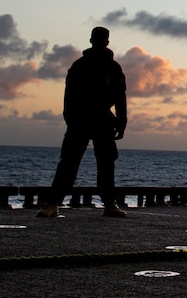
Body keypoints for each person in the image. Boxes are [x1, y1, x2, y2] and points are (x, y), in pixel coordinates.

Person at [38, 27, 128, 218]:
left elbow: (120, 97)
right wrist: (70, 119)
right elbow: (69, 95)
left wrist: (122, 121)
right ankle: (53, 203)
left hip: (103, 119)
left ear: (107, 41)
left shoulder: (114, 68)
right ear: (91, 40)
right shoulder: (79, 65)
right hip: (79, 119)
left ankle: (109, 203)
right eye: (97, 38)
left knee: (106, 163)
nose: (100, 41)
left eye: (103, 38)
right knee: (68, 162)